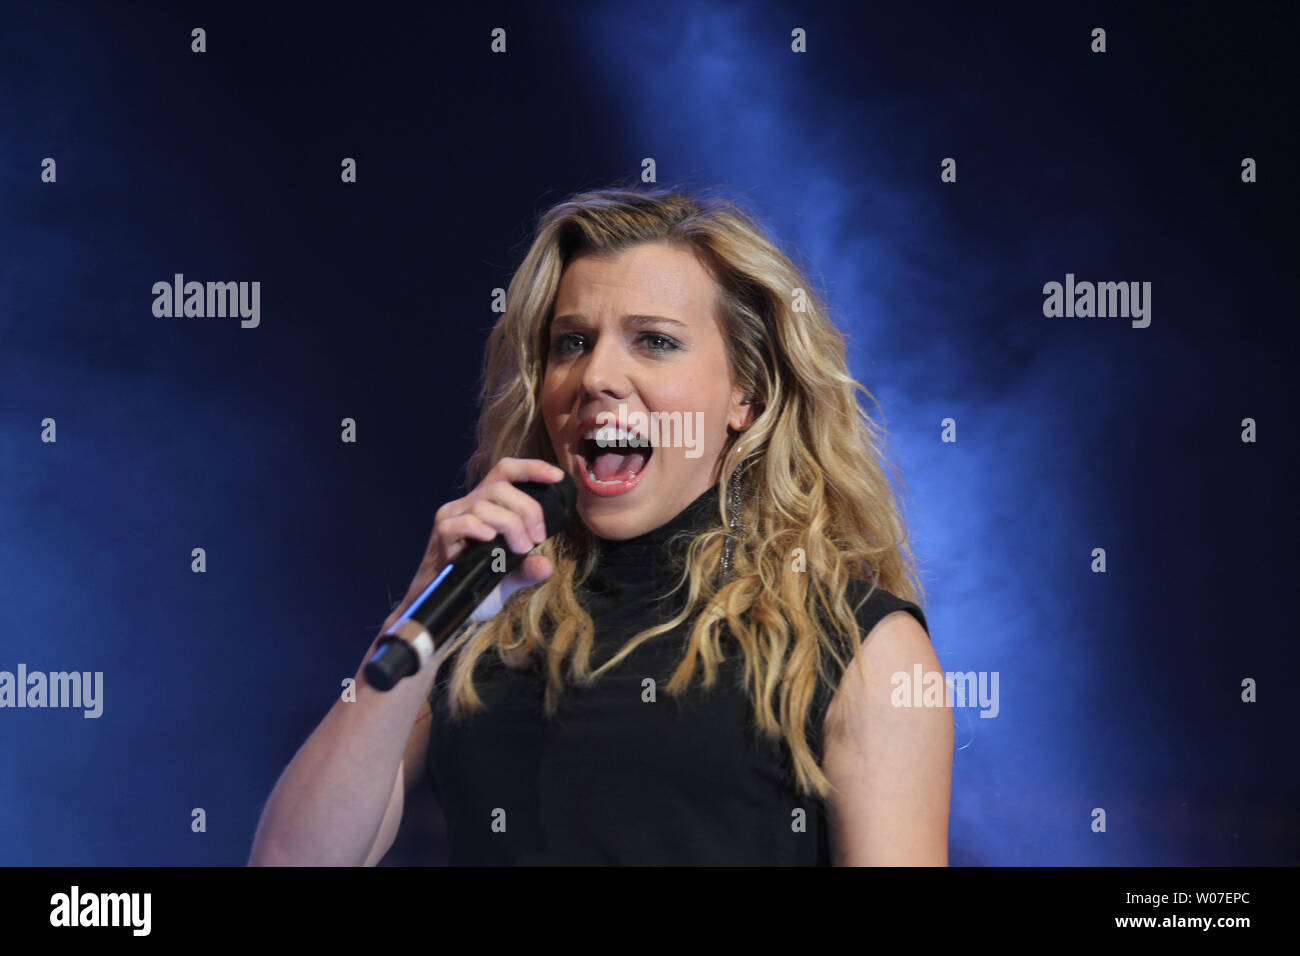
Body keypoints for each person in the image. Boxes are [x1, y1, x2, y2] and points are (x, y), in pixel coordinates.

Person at [248, 185, 952, 866]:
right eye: (572, 342)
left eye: (653, 342)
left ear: (747, 393)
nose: (595, 377)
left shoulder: (860, 645)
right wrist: (419, 610)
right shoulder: (484, 619)